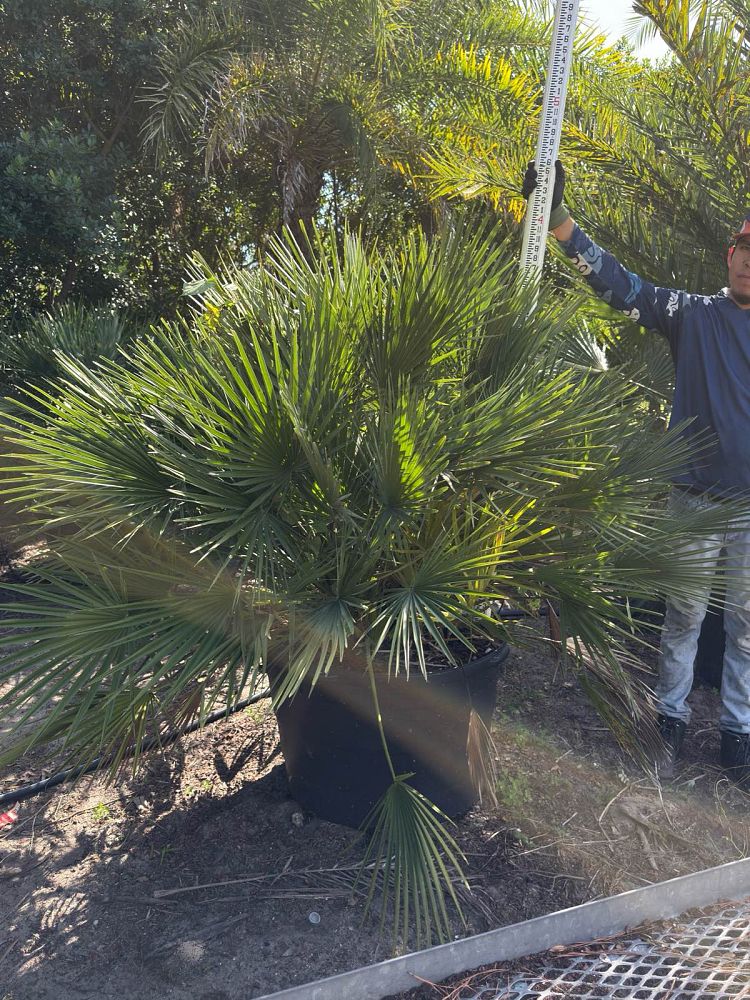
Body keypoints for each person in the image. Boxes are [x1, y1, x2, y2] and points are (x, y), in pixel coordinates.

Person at [523, 160, 750, 785]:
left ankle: (739, 734)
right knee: (682, 615)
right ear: (729, 253)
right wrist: (561, 223)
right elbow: (623, 287)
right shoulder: (693, 314)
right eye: (744, 248)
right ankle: (669, 719)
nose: (748, 260)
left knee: (747, 629)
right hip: (695, 499)